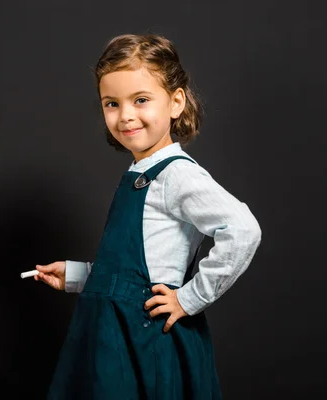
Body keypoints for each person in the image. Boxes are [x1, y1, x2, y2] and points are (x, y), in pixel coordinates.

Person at [34, 33, 262, 399]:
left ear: (175, 102)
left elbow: (243, 230)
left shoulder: (177, 174)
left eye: (141, 100)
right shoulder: (139, 174)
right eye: (111, 103)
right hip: (110, 334)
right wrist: (78, 276)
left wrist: (188, 299)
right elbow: (139, 271)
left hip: (143, 337)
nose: (125, 115)